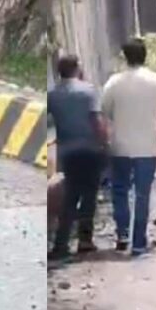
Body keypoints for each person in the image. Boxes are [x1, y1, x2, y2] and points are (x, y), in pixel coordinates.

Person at [101, 38, 156, 256]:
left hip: (120, 147)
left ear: (125, 57)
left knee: (120, 191)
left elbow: (105, 113)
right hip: (148, 147)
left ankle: (122, 234)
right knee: (143, 194)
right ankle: (138, 242)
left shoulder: (113, 83)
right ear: (145, 55)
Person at [46, 55, 108, 260]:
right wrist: (105, 144)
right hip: (90, 151)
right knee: (89, 196)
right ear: (76, 69)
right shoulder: (88, 91)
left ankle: (61, 243)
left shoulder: (52, 95)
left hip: (68, 152)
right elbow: (96, 121)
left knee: (70, 197)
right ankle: (84, 240)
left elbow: (48, 123)